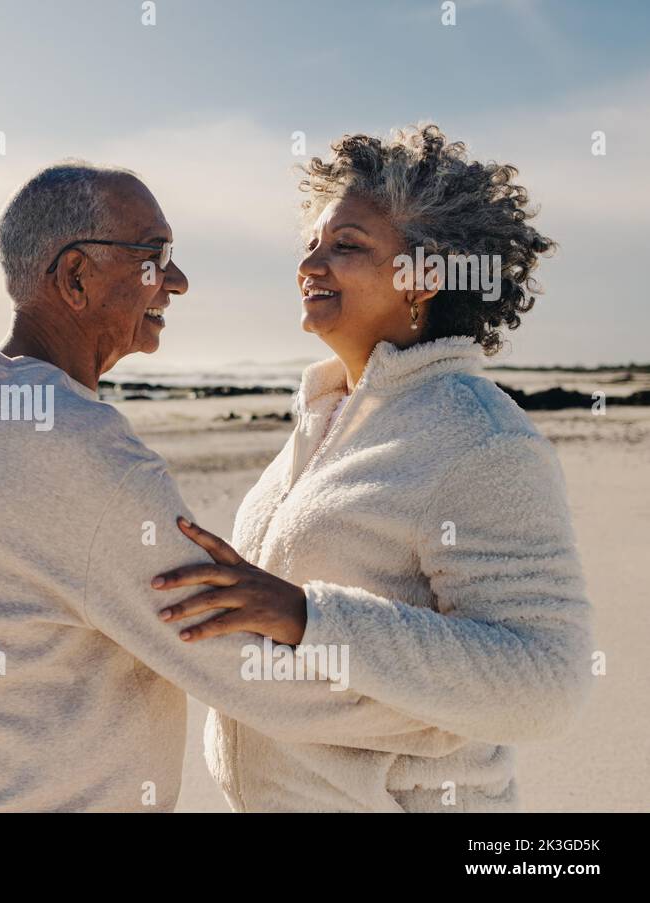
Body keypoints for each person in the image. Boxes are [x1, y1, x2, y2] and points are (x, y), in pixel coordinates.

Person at [0, 160, 459, 812]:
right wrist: (456, 716)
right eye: (155, 256)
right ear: (75, 277)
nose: (176, 281)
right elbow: (251, 672)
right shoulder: (81, 456)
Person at [152, 125, 594, 811]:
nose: (311, 265)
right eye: (312, 245)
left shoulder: (479, 437)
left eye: (346, 246)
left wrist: (310, 616)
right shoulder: (328, 413)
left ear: (422, 280)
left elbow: (547, 680)